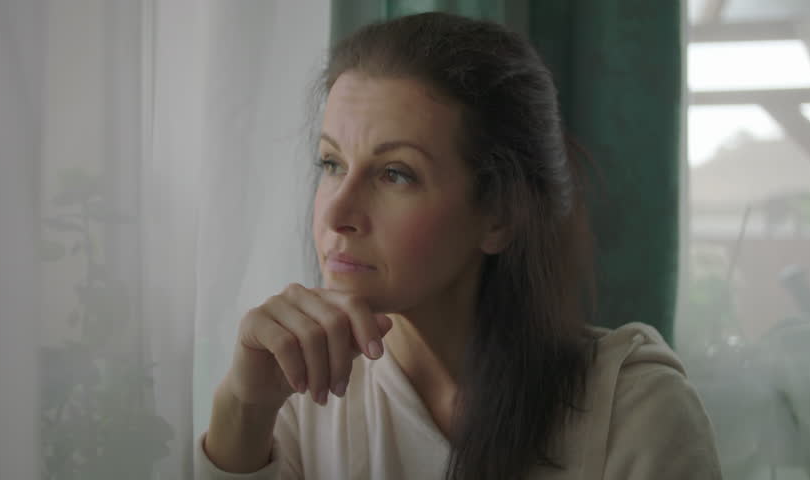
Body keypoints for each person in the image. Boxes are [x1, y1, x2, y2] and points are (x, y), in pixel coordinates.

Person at [195, 11, 722, 480]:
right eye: (331, 164)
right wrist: (243, 406)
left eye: (395, 174)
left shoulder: (632, 412)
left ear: (499, 214)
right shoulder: (300, 396)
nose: (336, 213)